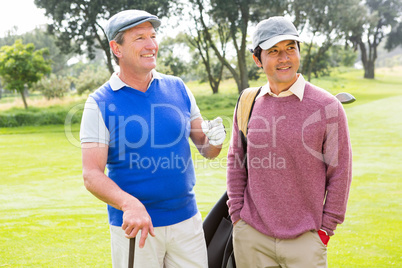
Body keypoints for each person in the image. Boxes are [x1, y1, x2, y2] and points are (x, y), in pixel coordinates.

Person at [80, 9, 226, 268]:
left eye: (153, 36)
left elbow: (206, 148)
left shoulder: (178, 87)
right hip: (137, 227)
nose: (151, 45)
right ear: (117, 48)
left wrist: (214, 141)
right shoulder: (99, 103)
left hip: (187, 222)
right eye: (139, 38)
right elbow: (91, 174)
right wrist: (129, 204)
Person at [226, 16, 352, 267]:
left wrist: (326, 230)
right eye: (274, 51)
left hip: (306, 240)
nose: (284, 58)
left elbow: (341, 173)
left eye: (290, 48)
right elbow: (236, 160)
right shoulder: (247, 102)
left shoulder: (328, 106)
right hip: (252, 237)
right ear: (257, 59)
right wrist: (237, 215)